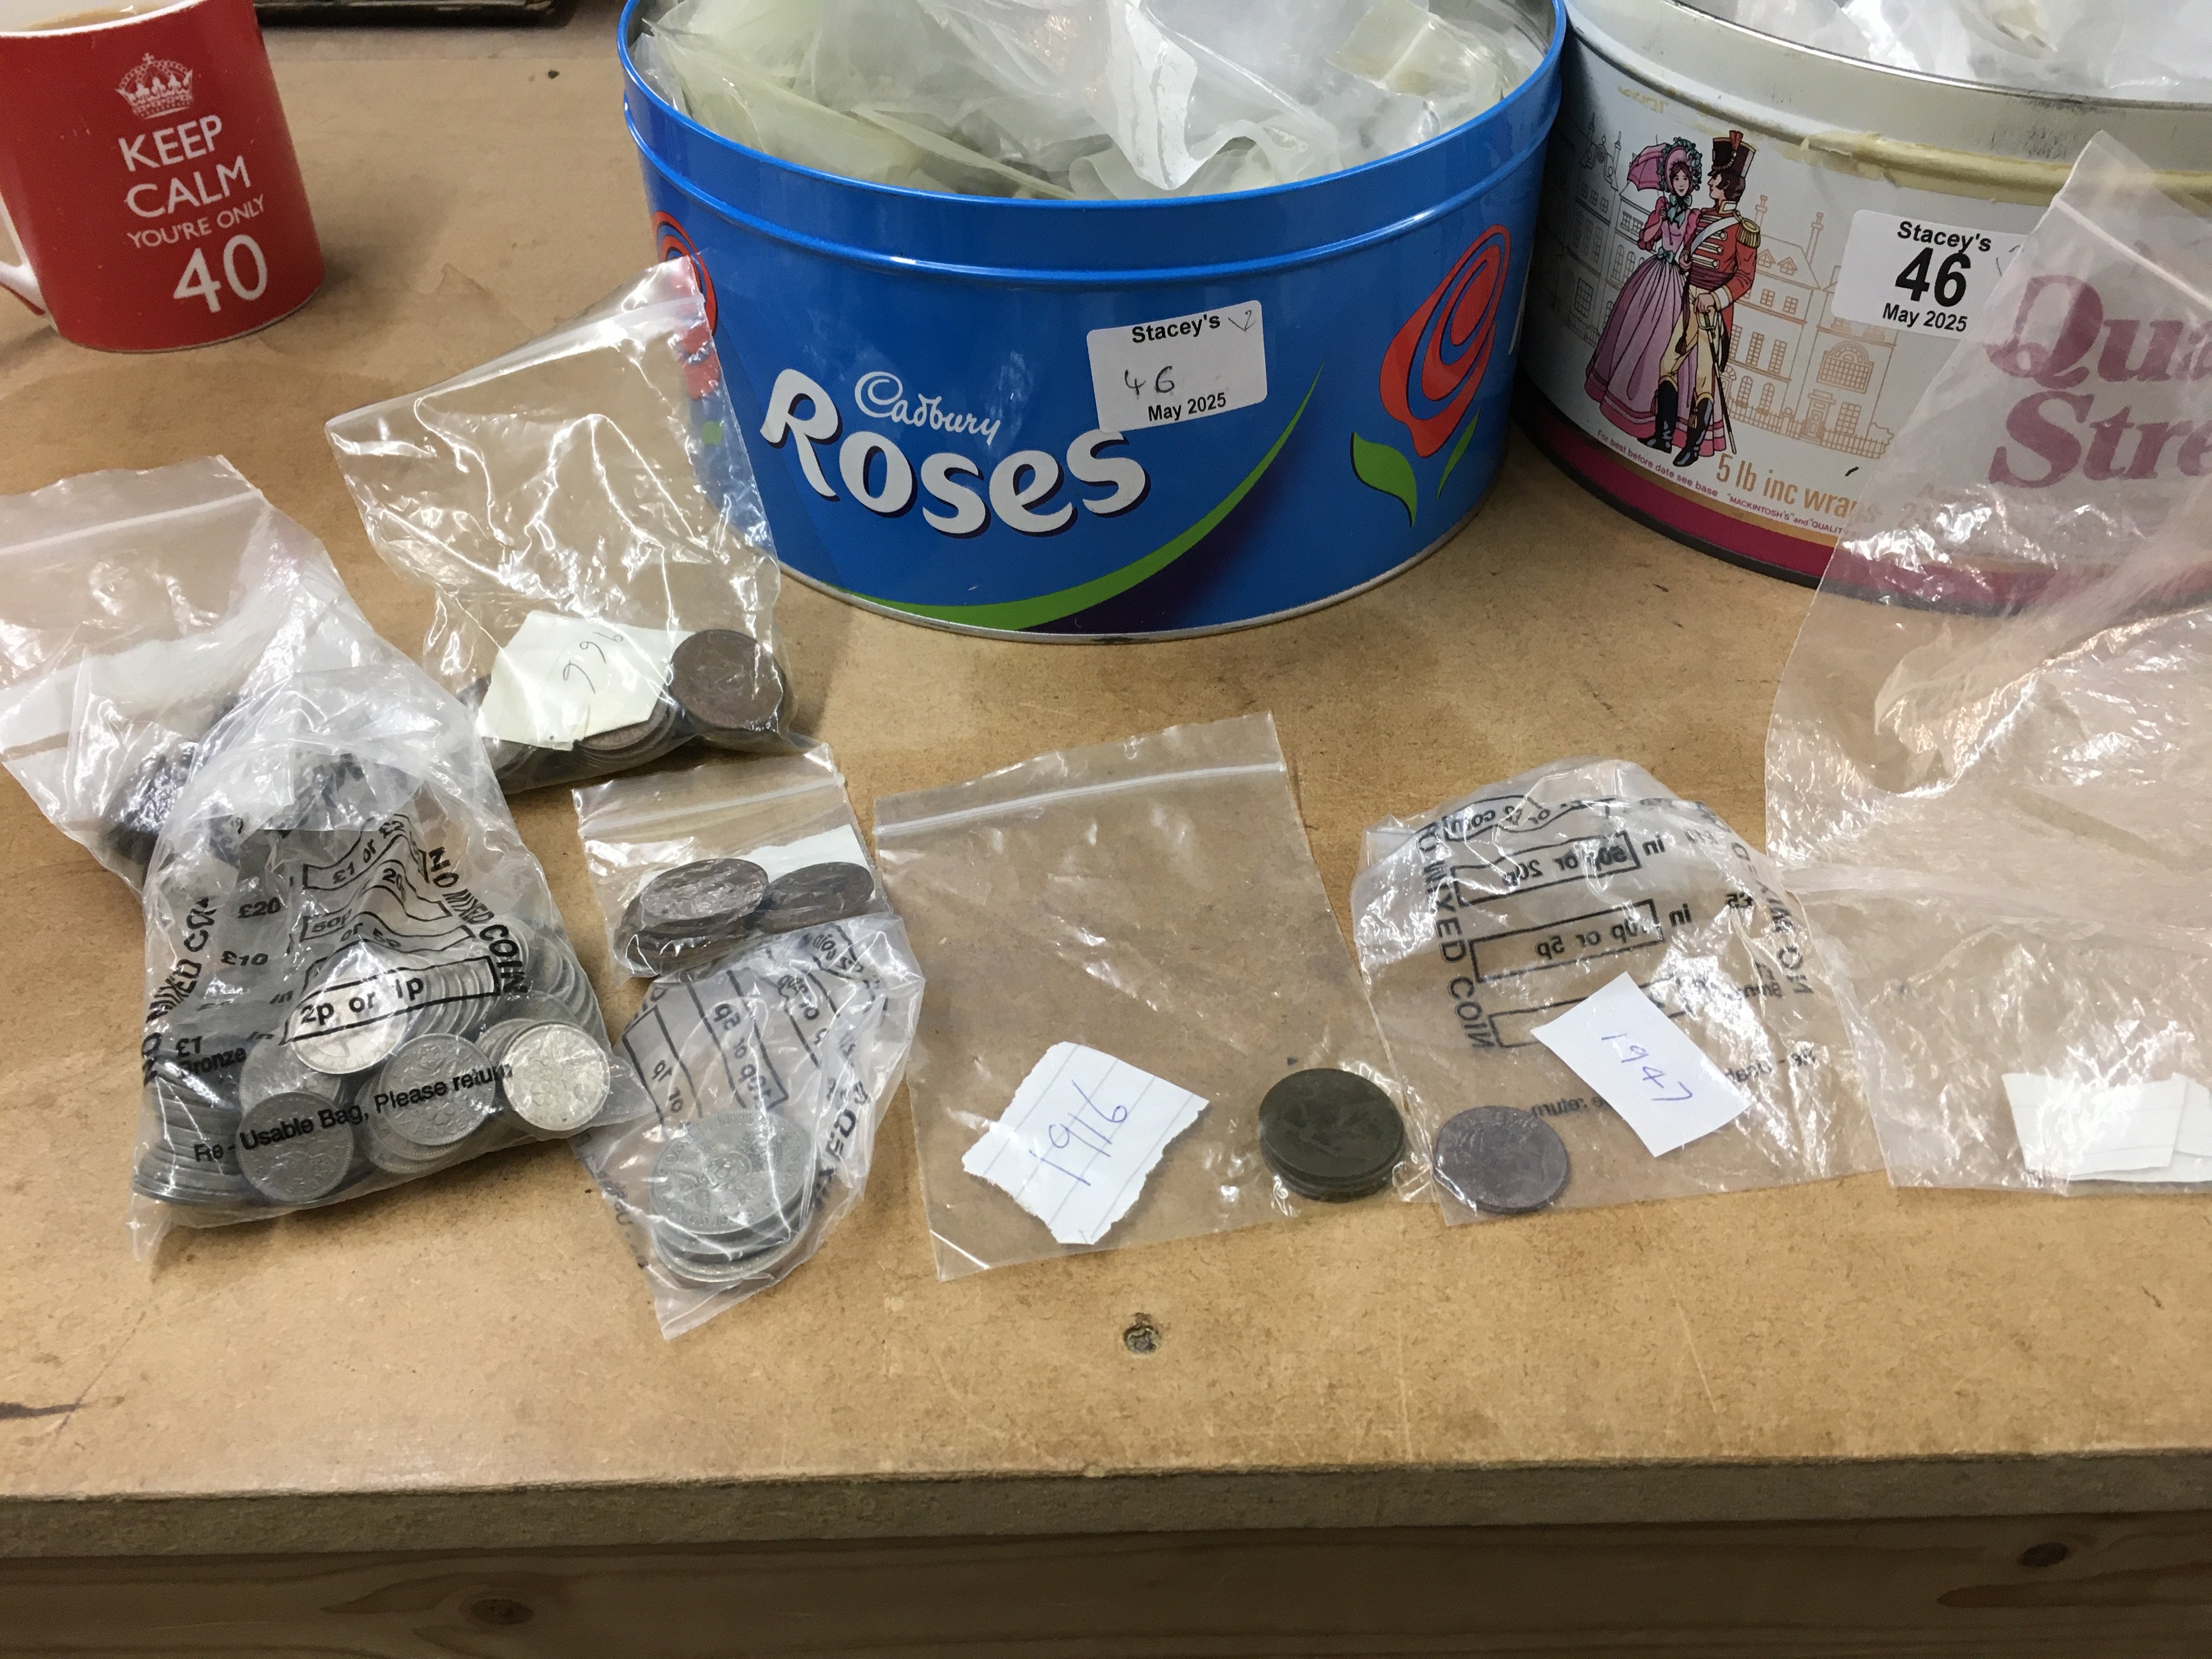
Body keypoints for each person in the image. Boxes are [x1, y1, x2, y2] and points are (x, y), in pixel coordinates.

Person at [1584, 138, 1703, 447]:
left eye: (1685, 179)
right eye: (1676, 178)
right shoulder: (1662, 207)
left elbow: (1690, 253)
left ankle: (1660, 425)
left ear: (1692, 182)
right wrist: (1658, 223)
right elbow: (1645, 240)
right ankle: (1625, 404)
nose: (1680, 183)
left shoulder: (1693, 216)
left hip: (1676, 281)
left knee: (1665, 343)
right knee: (1636, 331)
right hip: (1654, 275)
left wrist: (1686, 259)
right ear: (1669, 181)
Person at [1653, 130, 1760, 467]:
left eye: (1715, 179)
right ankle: (1663, 436)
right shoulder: (1701, 216)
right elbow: (1691, 252)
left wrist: (1715, 299)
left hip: (1712, 312)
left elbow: (1745, 278)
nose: (1710, 183)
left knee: (1703, 382)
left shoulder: (1743, 230)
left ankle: (1692, 448)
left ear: (1727, 185)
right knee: (1667, 364)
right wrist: (1686, 260)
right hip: (1690, 301)